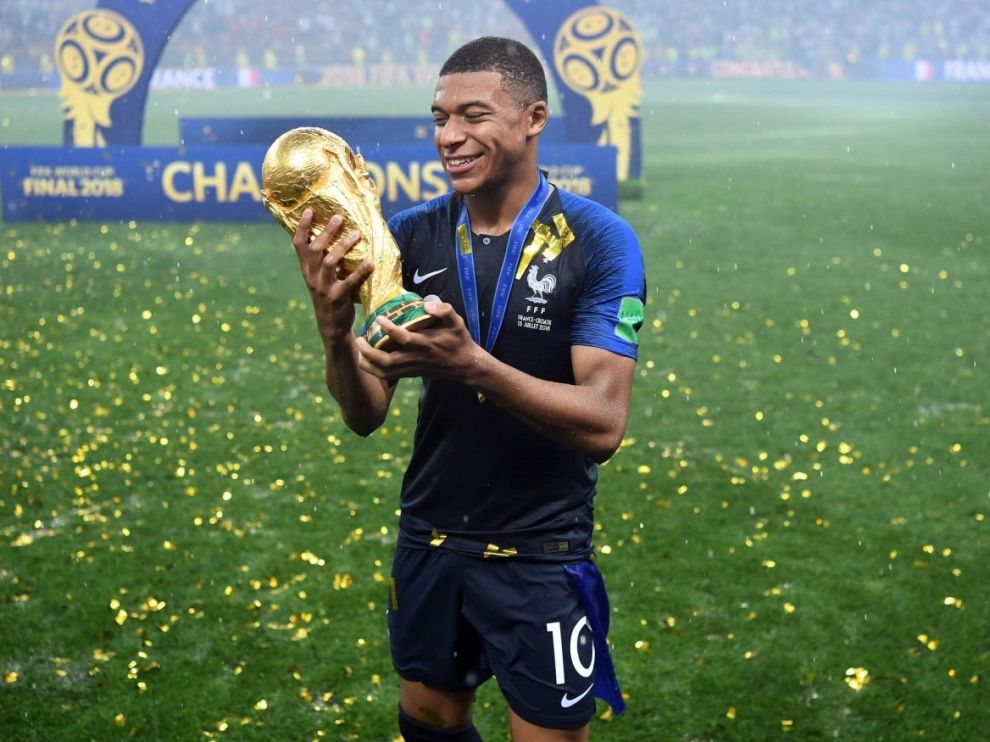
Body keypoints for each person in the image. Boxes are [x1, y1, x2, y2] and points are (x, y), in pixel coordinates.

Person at [290, 36, 645, 742]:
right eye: (439, 118)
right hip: (431, 540)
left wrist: (470, 364)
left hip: (541, 551)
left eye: (473, 116)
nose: (449, 137)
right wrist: (333, 333)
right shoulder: (407, 241)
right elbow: (366, 413)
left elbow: (604, 424)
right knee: (428, 727)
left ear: (533, 118)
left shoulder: (599, 242)